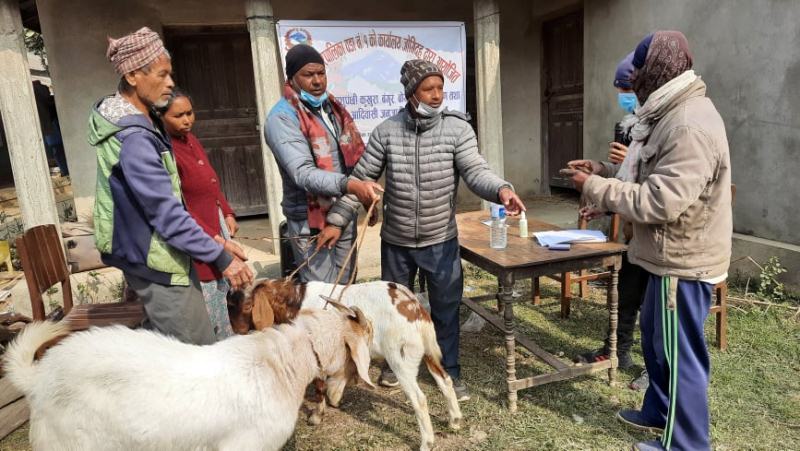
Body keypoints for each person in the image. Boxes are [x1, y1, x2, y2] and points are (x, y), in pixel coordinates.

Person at [563, 31, 731, 451]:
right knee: (658, 346)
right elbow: (647, 176)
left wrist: (597, 187)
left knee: (680, 357)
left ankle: (688, 444)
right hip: (662, 255)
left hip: (683, 261)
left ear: (657, 69)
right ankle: (659, 410)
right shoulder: (666, 111)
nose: (633, 78)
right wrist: (602, 174)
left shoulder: (689, 123)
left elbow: (662, 200)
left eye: (637, 68)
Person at [320, 59, 526, 401]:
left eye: (440, 89)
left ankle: (449, 372)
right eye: (428, 89)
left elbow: (476, 171)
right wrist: (337, 220)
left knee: (445, 310)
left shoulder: (458, 130)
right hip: (397, 243)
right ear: (410, 92)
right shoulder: (387, 131)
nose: (436, 96)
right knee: (393, 310)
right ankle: (393, 364)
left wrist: (501, 189)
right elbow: (361, 178)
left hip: (440, 240)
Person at [88, 27, 253, 345]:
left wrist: (215, 240)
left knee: (162, 351)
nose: (170, 82)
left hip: (152, 253)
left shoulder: (142, 124)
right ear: (134, 75)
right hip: (158, 260)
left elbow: (169, 203)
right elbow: (166, 214)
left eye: (170, 74)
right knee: (194, 354)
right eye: (162, 75)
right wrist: (221, 259)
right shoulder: (134, 137)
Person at [265, 44, 381, 283]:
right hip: (311, 221)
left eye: (321, 73)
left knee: (347, 283)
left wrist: (360, 196)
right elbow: (303, 174)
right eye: (308, 75)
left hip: (341, 213)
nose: (317, 81)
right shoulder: (282, 117)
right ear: (292, 79)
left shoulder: (332, 110)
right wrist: (352, 186)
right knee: (322, 292)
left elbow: (355, 162)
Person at [575, 52, 650, 381]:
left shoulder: (667, 125)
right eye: (619, 90)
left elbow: (658, 187)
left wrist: (627, 164)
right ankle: (616, 349)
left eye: (627, 89)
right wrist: (605, 171)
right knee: (626, 292)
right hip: (637, 229)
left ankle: (656, 367)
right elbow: (626, 178)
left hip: (661, 232)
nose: (623, 97)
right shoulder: (631, 124)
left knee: (655, 309)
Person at [159, 89, 239, 339]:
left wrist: (226, 211)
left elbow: (210, 179)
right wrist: (217, 239)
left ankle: (225, 341)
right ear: (161, 117)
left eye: (190, 113)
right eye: (178, 116)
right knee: (209, 297)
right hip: (199, 234)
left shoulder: (191, 139)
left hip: (215, 223)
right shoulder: (166, 150)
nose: (187, 120)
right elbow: (183, 208)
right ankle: (214, 348)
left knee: (224, 291)